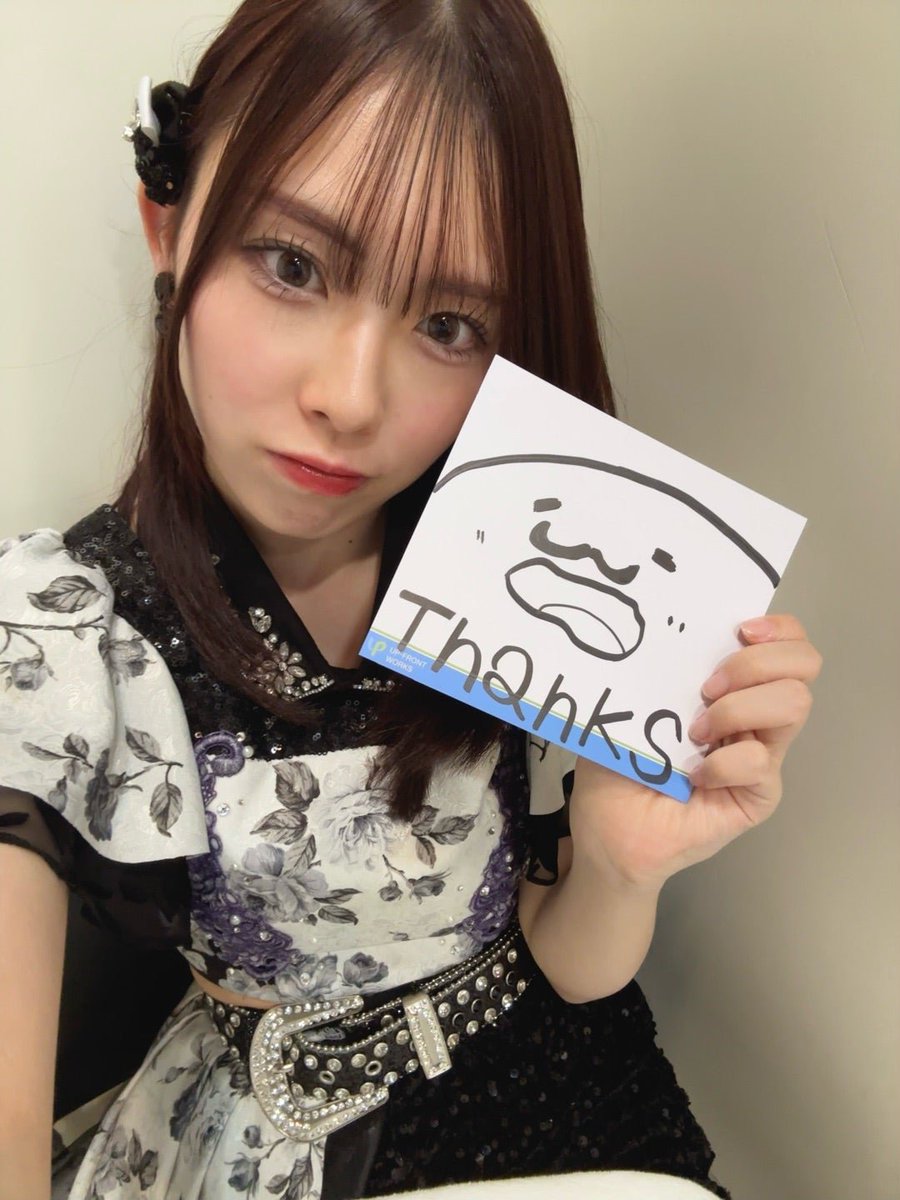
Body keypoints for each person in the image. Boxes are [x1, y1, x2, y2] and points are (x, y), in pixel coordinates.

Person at [0, 2, 822, 1198]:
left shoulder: (502, 558)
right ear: (167, 224)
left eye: (448, 324)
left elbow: (570, 966)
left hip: (558, 1099)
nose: (350, 398)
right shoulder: (65, 631)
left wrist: (620, 865)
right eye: (292, 264)